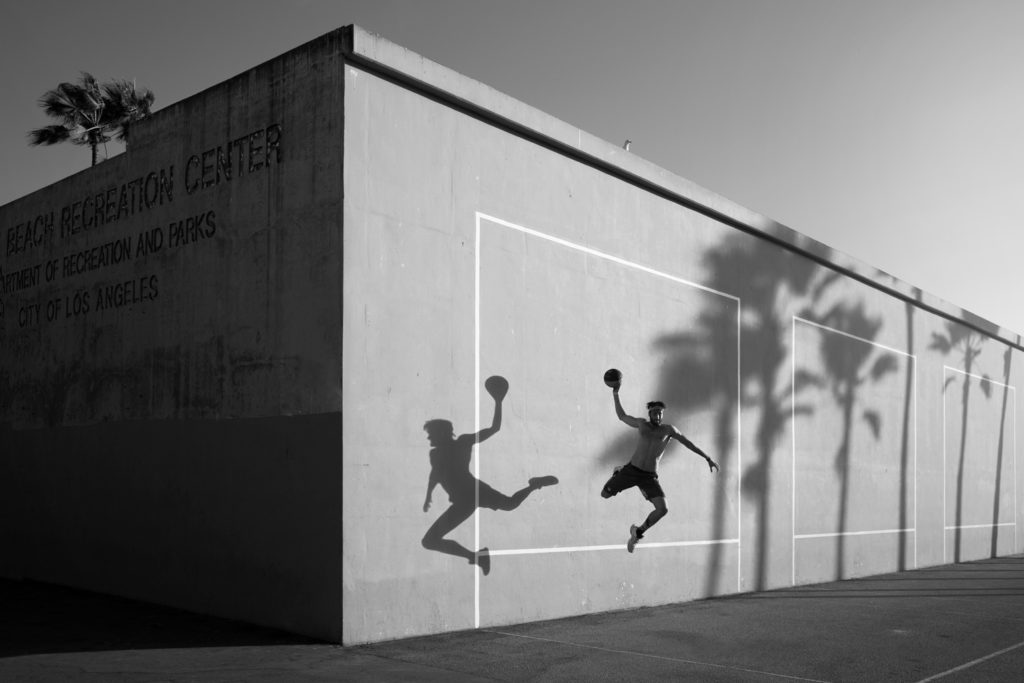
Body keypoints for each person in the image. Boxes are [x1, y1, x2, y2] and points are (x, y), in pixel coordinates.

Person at [601, 376, 717, 552]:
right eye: (655, 412)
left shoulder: (668, 430)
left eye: (660, 412)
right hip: (632, 471)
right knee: (605, 494)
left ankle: (637, 532)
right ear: (650, 414)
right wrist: (616, 393)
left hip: (649, 477)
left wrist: (707, 457)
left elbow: (688, 443)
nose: (658, 415)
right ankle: (619, 472)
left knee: (663, 509)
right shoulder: (642, 424)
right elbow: (622, 416)